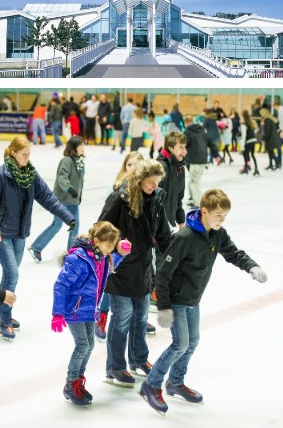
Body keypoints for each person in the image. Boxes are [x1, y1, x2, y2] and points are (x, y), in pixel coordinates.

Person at [139, 189, 268, 414]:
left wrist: (251, 266)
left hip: (193, 299)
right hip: (177, 299)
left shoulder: (218, 233)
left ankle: (175, 383)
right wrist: (164, 307)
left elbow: (233, 253)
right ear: (204, 211)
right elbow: (163, 273)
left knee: (192, 342)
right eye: (219, 215)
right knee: (180, 344)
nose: (222, 219)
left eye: (225, 216)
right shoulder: (184, 237)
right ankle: (150, 385)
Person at [0, 136, 76, 341]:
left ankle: (1, 311)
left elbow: (48, 198)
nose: (27, 158)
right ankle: (5, 318)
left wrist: (68, 217)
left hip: (20, 233)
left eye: (29, 154)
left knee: (10, 274)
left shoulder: (30, 174)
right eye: (24, 154)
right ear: (13, 153)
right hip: (1, 234)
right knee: (12, 274)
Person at [98, 159, 174, 386]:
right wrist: (118, 243)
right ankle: (115, 368)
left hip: (143, 268)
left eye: (157, 182)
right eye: (150, 182)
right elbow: (101, 228)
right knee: (122, 318)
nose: (154, 186)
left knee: (140, 317)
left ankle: (138, 360)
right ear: (140, 180)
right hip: (119, 268)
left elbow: (163, 235)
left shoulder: (156, 199)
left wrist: (175, 257)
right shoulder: (119, 199)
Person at [52, 221, 129, 406]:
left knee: (89, 345)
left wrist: (120, 254)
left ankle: (78, 380)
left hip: (88, 309)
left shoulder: (101, 257)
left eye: (112, 246)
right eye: (108, 246)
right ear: (96, 240)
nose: (110, 250)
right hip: (74, 309)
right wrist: (57, 313)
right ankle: (70, 384)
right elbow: (61, 285)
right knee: (82, 345)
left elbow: (107, 272)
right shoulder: (78, 259)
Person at [95, 151, 145, 340]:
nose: (133, 169)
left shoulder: (147, 192)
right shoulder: (118, 192)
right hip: (118, 247)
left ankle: (140, 315)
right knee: (112, 282)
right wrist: (114, 244)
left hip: (138, 249)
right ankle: (102, 314)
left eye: (137, 165)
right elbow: (104, 223)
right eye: (129, 165)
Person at [28, 136, 85, 263]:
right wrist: (69, 189)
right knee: (57, 225)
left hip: (73, 201)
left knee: (75, 226)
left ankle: (71, 253)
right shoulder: (67, 161)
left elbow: (80, 181)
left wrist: (79, 195)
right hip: (62, 199)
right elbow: (62, 177)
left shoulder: (79, 161)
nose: (83, 148)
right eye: (81, 145)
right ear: (74, 148)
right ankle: (36, 247)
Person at [184, 118, 221, 209]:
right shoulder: (202, 131)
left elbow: (184, 145)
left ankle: (198, 203)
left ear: (187, 123)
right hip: (202, 160)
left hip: (195, 160)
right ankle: (193, 199)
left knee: (194, 181)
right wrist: (216, 155)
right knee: (193, 180)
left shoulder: (187, 132)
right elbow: (211, 143)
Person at [156, 132, 188, 230]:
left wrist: (181, 221)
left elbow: (178, 198)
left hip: (170, 224)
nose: (184, 151)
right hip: (156, 226)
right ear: (170, 148)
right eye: (180, 147)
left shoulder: (179, 168)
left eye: (184, 147)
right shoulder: (160, 167)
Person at [239, 110, 260, 176]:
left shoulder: (244, 125)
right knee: (252, 155)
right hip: (253, 140)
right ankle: (256, 169)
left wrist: (242, 147)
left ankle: (247, 167)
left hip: (248, 141)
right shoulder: (250, 123)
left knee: (245, 154)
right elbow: (255, 130)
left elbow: (244, 136)